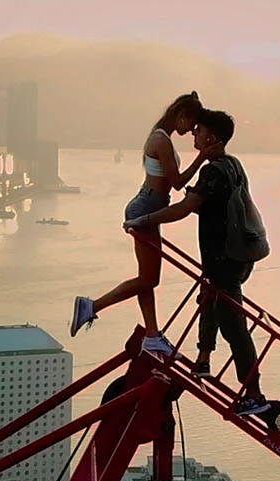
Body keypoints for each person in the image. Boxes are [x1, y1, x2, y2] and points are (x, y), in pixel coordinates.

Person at [128, 109, 270, 417]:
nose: (193, 134)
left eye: (198, 131)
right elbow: (206, 206)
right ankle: (203, 360)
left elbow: (185, 207)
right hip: (235, 257)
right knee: (209, 298)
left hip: (223, 259)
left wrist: (144, 219)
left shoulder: (213, 172)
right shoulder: (232, 165)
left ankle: (254, 394)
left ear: (212, 138)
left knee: (235, 327)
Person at [73, 91, 202, 343]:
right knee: (149, 278)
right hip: (145, 210)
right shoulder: (161, 141)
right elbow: (176, 183)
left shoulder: (162, 138)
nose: (190, 131)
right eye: (191, 123)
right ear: (181, 115)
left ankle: (152, 334)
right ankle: (91, 306)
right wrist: (202, 157)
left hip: (148, 208)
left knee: (147, 278)